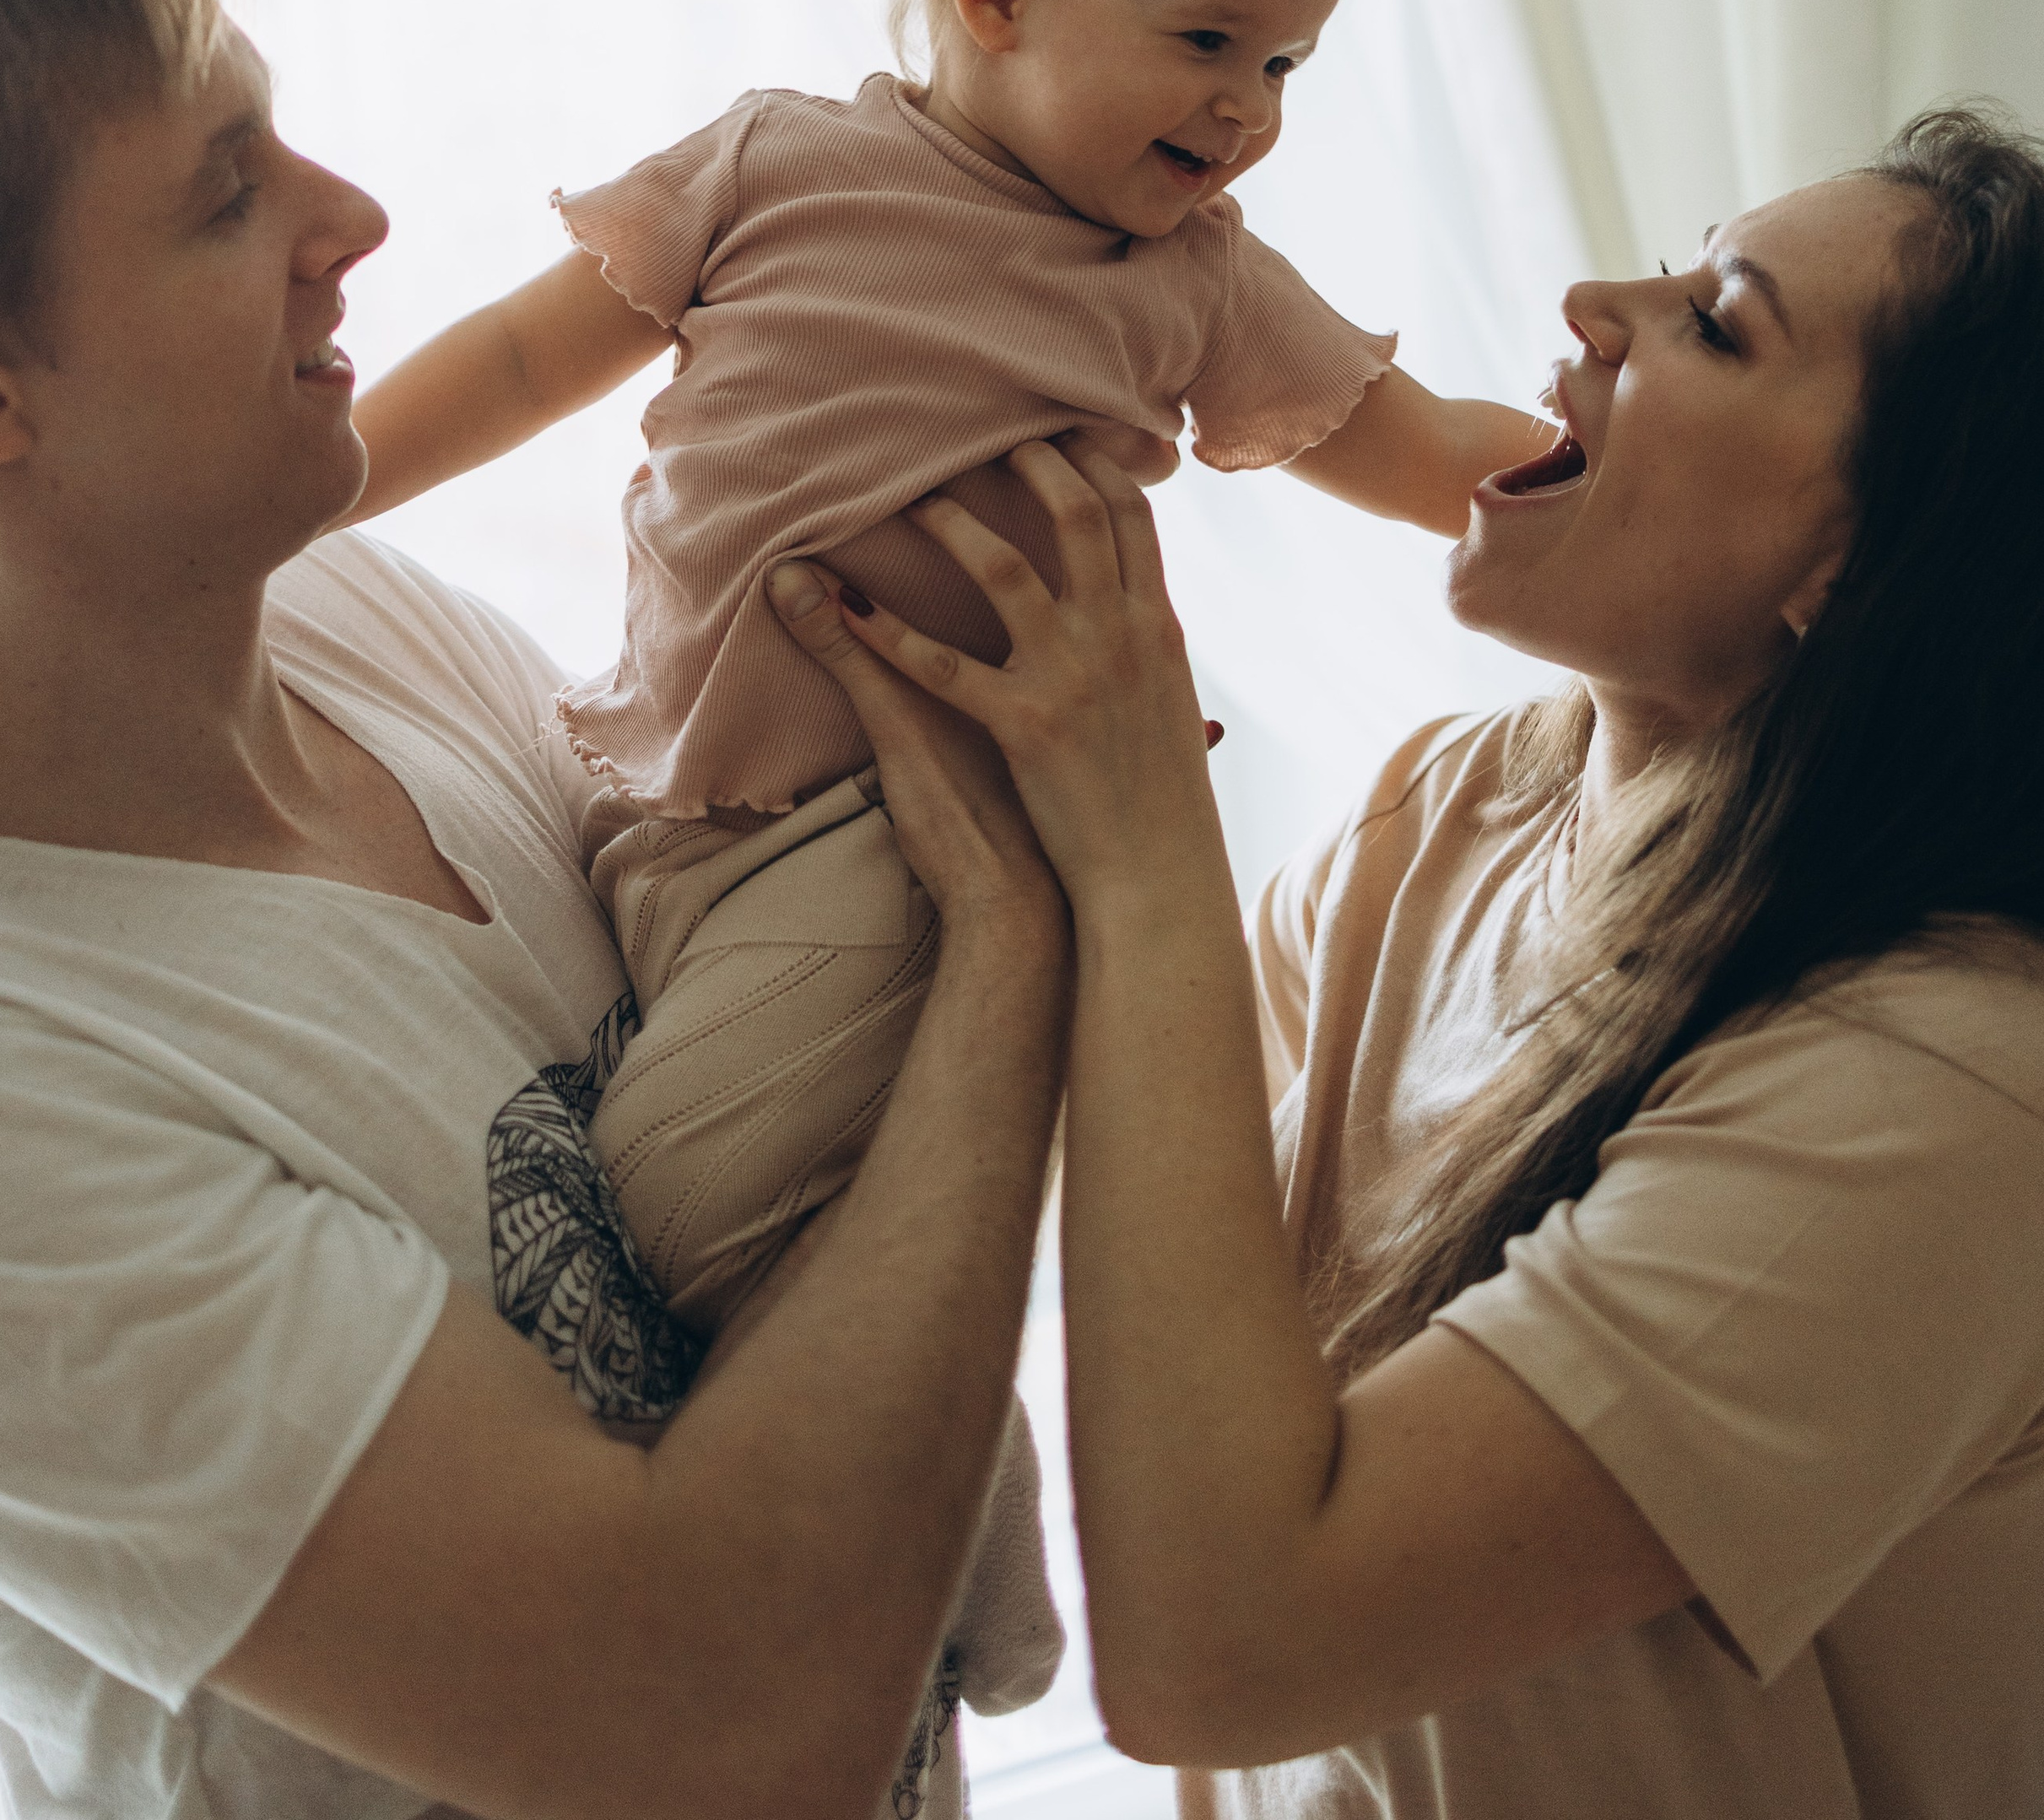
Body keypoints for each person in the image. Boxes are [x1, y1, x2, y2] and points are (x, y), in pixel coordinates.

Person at [0, 0, 1069, 1820]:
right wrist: (1019, 945)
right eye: (224, 195)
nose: (349, 218)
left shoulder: (384, 627)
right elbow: (714, 1740)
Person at [780, 106, 2044, 1817]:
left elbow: (1219, 1650)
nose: (1597, 302)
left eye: (1716, 325)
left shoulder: (1945, 1091)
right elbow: (1129, 1191)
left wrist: (1144, 842)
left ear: (1857, 565)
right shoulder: (1453, 809)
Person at [350, 0, 1535, 1354]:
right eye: (1208, 42)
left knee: (672, 1216)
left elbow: (1416, 448)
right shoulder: (768, 165)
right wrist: (325, 488)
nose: (1248, 109)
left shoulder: (1189, 279)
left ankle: (938, 1614)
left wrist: (1611, 467)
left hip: (919, 829)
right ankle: (953, 1603)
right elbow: (525, 362)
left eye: (1285, 63)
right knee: (840, 1233)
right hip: (661, 789)